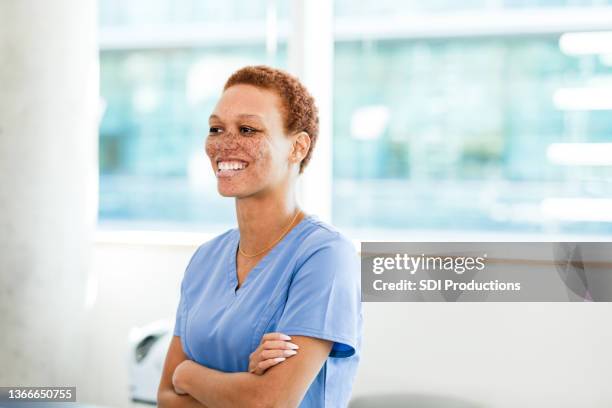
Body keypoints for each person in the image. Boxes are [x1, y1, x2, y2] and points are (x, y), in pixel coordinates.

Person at [157, 65, 362, 408]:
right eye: (216, 128)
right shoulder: (206, 259)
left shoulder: (326, 256)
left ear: (297, 148)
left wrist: (189, 376)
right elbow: (164, 397)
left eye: (248, 129)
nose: (225, 143)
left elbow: (269, 402)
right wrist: (240, 388)